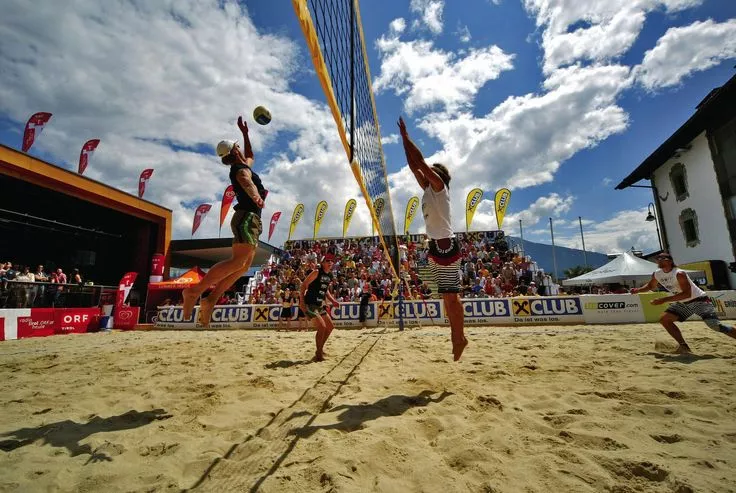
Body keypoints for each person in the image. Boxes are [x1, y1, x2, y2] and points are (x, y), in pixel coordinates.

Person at [183, 116, 267, 326]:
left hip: (251, 218)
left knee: (242, 267)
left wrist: (246, 134)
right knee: (237, 262)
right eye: (238, 145)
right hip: (246, 218)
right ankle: (194, 291)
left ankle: (210, 300)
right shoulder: (239, 171)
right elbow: (246, 183)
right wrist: (256, 196)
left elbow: (250, 155)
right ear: (234, 150)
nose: (241, 148)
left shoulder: (243, 164)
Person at [399, 116, 467, 361]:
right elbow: (412, 164)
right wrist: (403, 142)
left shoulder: (439, 187)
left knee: (451, 296)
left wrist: (407, 138)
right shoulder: (428, 189)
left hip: (447, 246)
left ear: (438, 175)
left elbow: (420, 162)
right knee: (446, 297)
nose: (424, 174)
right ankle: (457, 337)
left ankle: (459, 338)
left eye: (429, 172)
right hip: (436, 248)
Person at [632, 253, 735, 353]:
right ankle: (683, 346)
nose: (658, 260)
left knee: (715, 326)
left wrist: (663, 300)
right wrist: (638, 290)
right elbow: (650, 286)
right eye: (657, 258)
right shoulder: (657, 273)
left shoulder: (679, 274)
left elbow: (687, 294)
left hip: (699, 300)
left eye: (661, 258)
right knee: (665, 320)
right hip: (684, 303)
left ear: (669, 261)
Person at [300, 254, 340, 361]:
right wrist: (302, 303)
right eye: (327, 260)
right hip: (311, 303)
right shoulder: (317, 272)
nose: (330, 262)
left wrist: (333, 301)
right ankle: (318, 354)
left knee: (330, 327)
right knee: (322, 327)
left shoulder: (330, 275)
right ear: (322, 263)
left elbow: (326, 290)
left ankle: (320, 349)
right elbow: (303, 286)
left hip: (319, 305)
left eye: (331, 261)